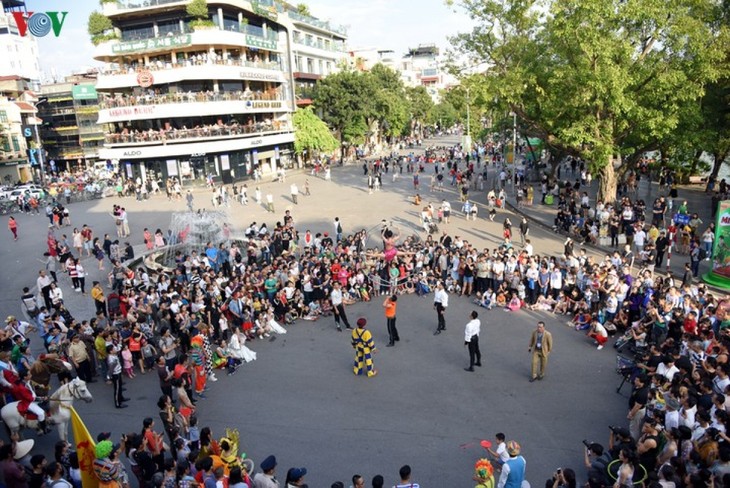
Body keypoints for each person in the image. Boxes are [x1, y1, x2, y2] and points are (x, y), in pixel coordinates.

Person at [107, 344, 127, 409]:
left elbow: (119, 348)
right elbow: (111, 369)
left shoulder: (114, 355)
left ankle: (121, 398)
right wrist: (109, 378)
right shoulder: (111, 359)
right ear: (111, 351)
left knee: (120, 386)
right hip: (116, 375)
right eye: (114, 349)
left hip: (118, 372)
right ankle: (117, 404)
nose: (115, 349)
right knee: (117, 389)